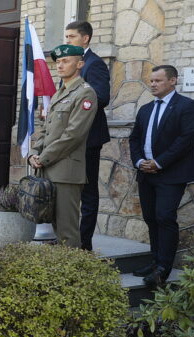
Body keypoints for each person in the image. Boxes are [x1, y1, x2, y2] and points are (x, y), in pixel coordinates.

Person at [129, 65, 194, 287]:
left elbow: (186, 140)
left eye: (158, 81)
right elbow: (134, 139)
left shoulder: (188, 107)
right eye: (151, 81)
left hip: (171, 174)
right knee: (151, 218)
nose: (153, 84)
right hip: (146, 173)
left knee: (164, 217)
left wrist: (159, 163)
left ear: (172, 81)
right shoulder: (145, 109)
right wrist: (141, 161)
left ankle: (163, 268)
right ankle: (154, 261)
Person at [27, 44, 97, 248]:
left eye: (66, 61)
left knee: (67, 230)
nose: (60, 65)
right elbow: (47, 129)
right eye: (57, 62)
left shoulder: (85, 93)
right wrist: (33, 152)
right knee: (55, 227)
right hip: (48, 167)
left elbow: (73, 134)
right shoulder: (59, 94)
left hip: (66, 171)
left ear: (80, 64)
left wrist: (44, 157)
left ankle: (73, 276)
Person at [64, 21, 112, 251]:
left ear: (85, 39)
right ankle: (68, 238)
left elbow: (101, 97)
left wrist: (74, 104)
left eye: (72, 37)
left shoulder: (95, 64)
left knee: (88, 193)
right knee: (69, 191)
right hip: (69, 137)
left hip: (88, 138)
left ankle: (84, 244)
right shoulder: (71, 64)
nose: (67, 41)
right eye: (66, 37)